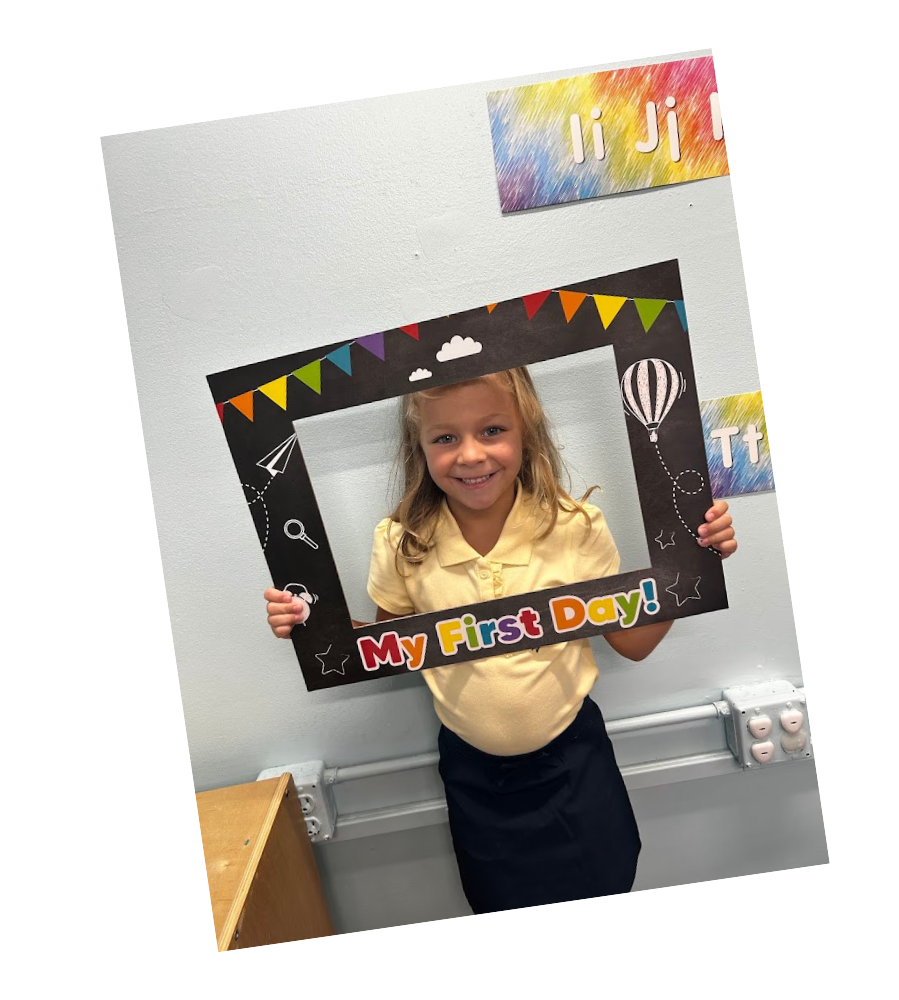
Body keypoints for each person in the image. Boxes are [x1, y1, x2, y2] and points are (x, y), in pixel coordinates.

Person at [264, 367, 736, 914]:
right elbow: (386, 648)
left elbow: (632, 643)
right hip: (475, 774)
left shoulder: (575, 527)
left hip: (575, 760)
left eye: (492, 430)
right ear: (419, 448)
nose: (470, 455)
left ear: (525, 432)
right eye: (445, 437)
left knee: (606, 878)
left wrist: (692, 568)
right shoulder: (401, 542)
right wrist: (310, 624)